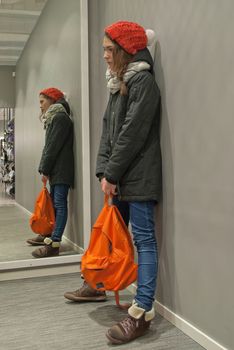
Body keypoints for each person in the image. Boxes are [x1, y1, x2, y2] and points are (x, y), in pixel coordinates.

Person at [64, 21, 162, 344]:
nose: (104, 55)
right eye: (104, 49)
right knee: (109, 237)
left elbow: (132, 135)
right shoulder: (118, 85)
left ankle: (141, 313)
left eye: (109, 49)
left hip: (139, 178)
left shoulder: (144, 83)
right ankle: (97, 285)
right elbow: (108, 133)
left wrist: (111, 174)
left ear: (124, 50)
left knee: (144, 240)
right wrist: (104, 173)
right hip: (119, 178)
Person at [27, 87, 74, 258]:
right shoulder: (55, 117)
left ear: (52, 100)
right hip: (58, 169)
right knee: (55, 204)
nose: (40, 106)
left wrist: (44, 169)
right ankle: (48, 236)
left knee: (59, 204)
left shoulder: (59, 118)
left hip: (61, 170)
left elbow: (52, 147)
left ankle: (54, 243)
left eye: (42, 101)